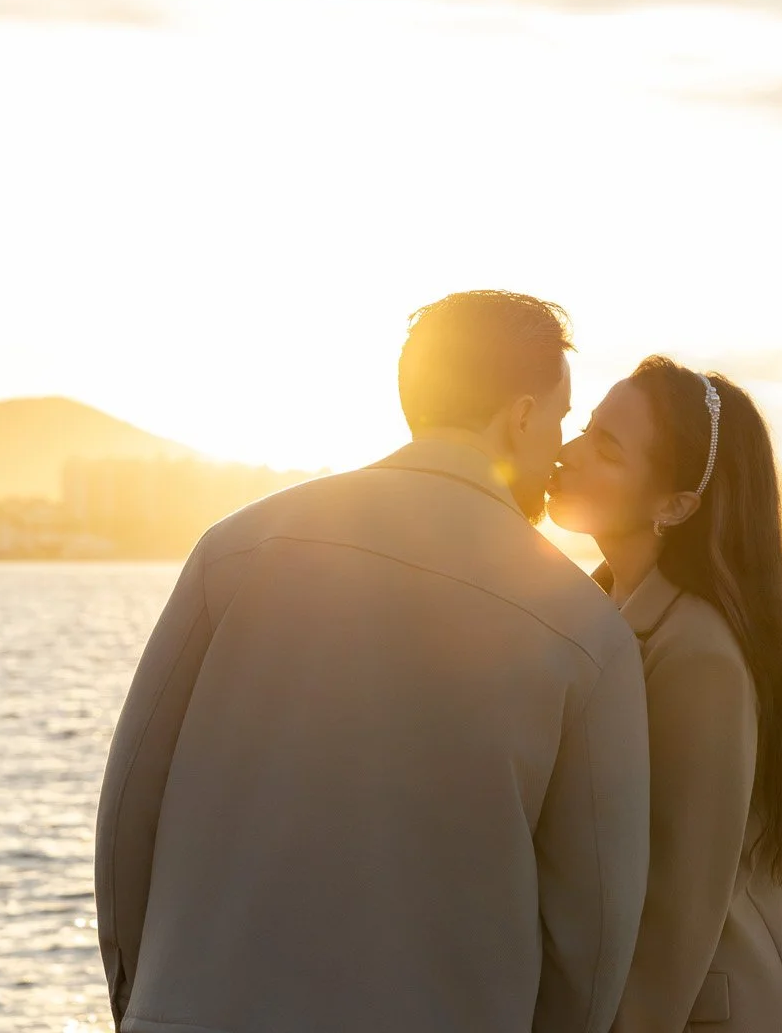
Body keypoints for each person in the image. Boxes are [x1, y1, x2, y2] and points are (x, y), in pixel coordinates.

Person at [95, 291, 651, 1033]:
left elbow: (131, 809)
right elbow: (593, 924)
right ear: (519, 416)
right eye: (557, 417)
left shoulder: (234, 549)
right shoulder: (587, 630)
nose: (556, 446)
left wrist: (146, 1006)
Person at [549, 356, 782, 1033]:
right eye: (584, 429)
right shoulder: (598, 608)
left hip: (700, 1014)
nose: (570, 453)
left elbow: (679, 904)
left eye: (606, 449)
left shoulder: (698, 652)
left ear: (674, 505)